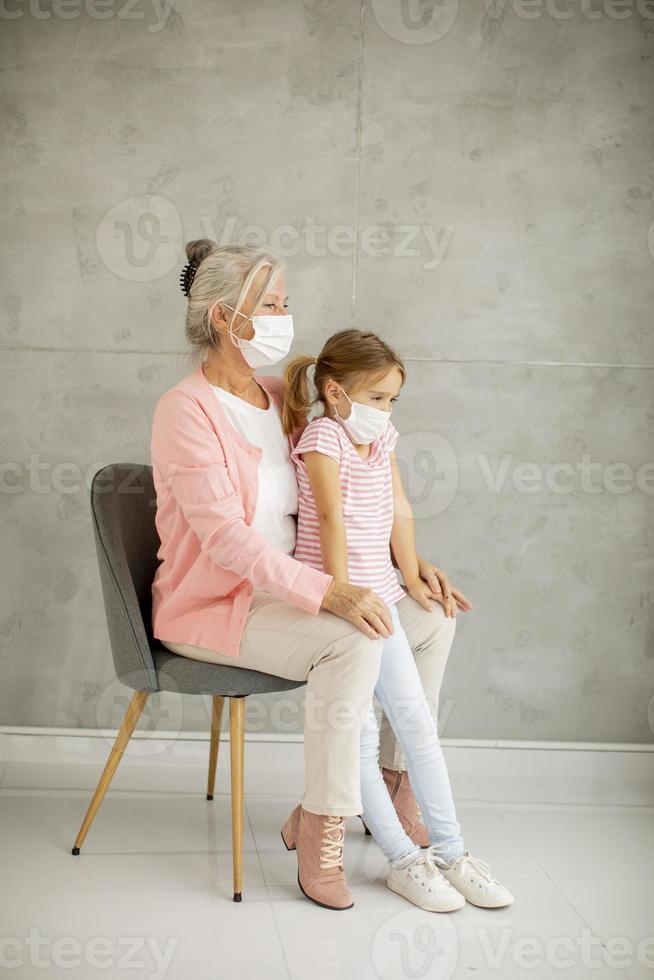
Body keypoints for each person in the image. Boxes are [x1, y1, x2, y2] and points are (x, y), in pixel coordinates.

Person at [149, 239, 470, 911]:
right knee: (351, 639)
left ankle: (392, 786)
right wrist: (328, 591)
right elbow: (225, 540)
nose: (283, 316)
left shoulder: (278, 395)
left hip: (297, 589)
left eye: (285, 303)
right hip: (219, 607)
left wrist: (407, 569)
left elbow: (352, 489)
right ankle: (324, 824)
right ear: (223, 320)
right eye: (269, 305)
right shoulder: (185, 410)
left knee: (431, 619)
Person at [282, 330, 514, 912]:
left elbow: (399, 510)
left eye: (392, 400)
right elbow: (331, 519)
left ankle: (453, 852)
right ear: (336, 393)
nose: (385, 411)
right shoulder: (321, 439)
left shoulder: (380, 439)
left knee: (418, 730)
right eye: (378, 398)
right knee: (358, 742)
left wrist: (410, 578)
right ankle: (403, 862)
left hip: (381, 603)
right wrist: (342, 596)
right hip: (347, 609)